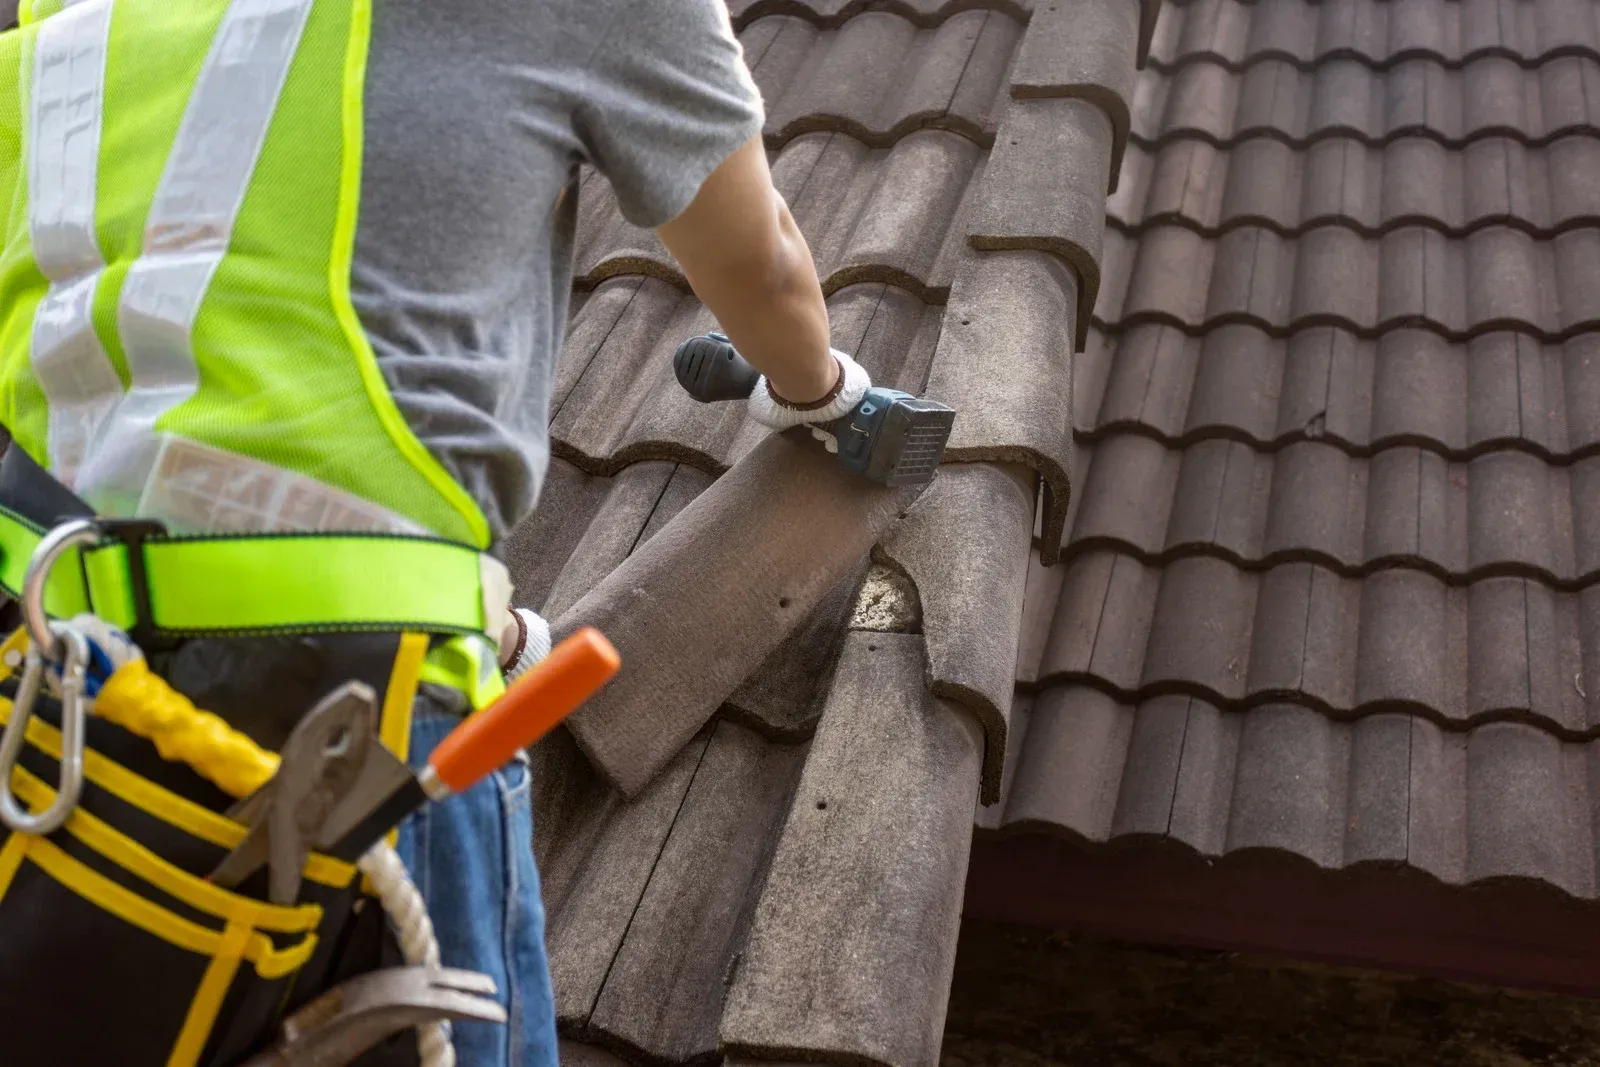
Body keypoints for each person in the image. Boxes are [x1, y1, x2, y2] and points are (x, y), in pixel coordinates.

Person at [0, 0, 872, 1064]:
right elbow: (764, 267)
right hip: (353, 706)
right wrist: (820, 392)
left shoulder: (59, 19)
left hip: (53, 696)